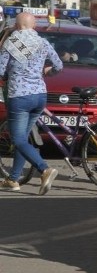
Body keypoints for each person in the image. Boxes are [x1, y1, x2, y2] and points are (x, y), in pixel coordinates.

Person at [0, 12, 63, 195]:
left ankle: (44, 169)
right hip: (40, 95)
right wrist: (46, 72)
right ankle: (13, 179)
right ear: (33, 26)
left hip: (19, 96)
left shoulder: (11, 43)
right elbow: (59, 66)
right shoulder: (43, 42)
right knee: (24, 138)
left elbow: (1, 70)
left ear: (17, 26)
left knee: (18, 139)